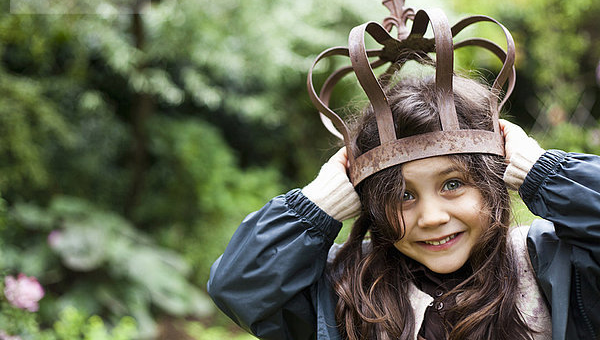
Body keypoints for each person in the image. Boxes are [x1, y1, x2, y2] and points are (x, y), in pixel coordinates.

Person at [207, 73, 600, 339]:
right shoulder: (347, 291)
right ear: (372, 204)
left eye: (452, 184)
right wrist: (317, 207)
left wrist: (546, 175)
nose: (431, 218)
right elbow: (240, 287)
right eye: (403, 195)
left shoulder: (552, 265)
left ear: (491, 184)